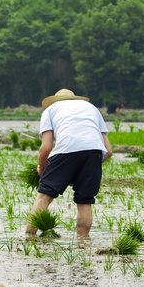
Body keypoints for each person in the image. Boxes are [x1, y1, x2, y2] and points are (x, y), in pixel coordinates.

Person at [25, 89, 112, 237]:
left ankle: (29, 237)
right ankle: (83, 243)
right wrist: (83, 171)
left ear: (55, 100)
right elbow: (108, 151)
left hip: (66, 150)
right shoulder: (92, 109)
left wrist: (43, 171)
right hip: (94, 152)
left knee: (44, 196)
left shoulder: (50, 110)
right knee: (85, 201)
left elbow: (45, 148)